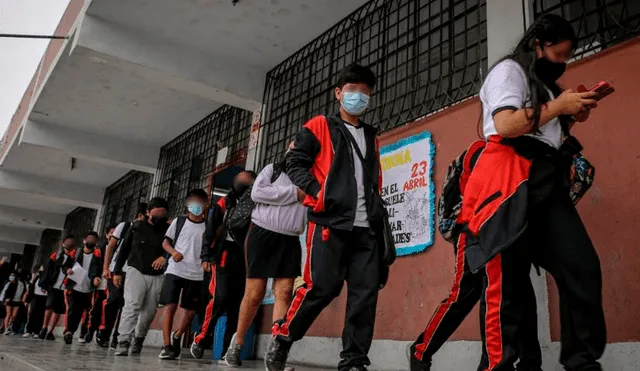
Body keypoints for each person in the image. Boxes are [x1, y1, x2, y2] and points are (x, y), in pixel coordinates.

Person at [448, 14, 605, 371]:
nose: (562, 62)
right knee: (510, 287)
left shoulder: (543, 83)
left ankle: (582, 361)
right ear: (538, 45)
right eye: (558, 53)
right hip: (510, 179)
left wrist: (572, 112)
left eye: (567, 56)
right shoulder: (509, 72)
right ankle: (515, 365)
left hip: (546, 181)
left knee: (581, 267)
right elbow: (506, 124)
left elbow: (546, 125)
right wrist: (558, 106)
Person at [266, 63, 385, 371]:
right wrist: (317, 193)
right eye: (352, 90)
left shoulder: (371, 135)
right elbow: (294, 163)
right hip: (330, 223)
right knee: (321, 288)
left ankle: (354, 361)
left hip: (366, 228)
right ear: (338, 93)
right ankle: (283, 338)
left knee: (364, 296)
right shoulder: (319, 125)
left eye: (364, 91)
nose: (358, 96)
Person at [223, 145, 307, 367]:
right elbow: (259, 192)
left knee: (285, 293)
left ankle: (274, 353)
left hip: (290, 239)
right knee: (254, 293)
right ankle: (237, 344)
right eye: (293, 148)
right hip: (262, 234)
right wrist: (294, 194)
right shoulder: (273, 170)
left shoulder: (311, 177)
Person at [190, 171, 256, 360]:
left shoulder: (256, 202)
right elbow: (210, 230)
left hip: (245, 257)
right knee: (221, 297)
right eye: (240, 179)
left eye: (247, 180)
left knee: (238, 305)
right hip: (224, 254)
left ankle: (228, 350)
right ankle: (201, 338)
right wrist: (206, 256)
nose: (242, 182)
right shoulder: (224, 203)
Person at [112, 197, 170, 356]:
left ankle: (138, 338)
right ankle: (123, 340)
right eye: (156, 215)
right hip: (136, 269)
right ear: (147, 213)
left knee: (150, 311)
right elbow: (124, 249)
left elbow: (175, 247)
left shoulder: (169, 229)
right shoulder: (136, 227)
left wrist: (164, 256)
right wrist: (117, 271)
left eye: (162, 215)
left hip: (157, 274)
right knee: (132, 304)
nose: (159, 219)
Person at [158, 189, 208, 360]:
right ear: (188, 204)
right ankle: (166, 346)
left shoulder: (208, 226)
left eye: (200, 202)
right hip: (175, 269)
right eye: (194, 202)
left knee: (190, 311)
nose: (197, 206)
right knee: (170, 306)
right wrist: (173, 253)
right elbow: (165, 242)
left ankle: (177, 336)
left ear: (206, 205)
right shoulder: (179, 221)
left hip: (197, 274)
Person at [97, 204, 147, 349]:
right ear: (139, 216)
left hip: (135, 272)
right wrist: (106, 268)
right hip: (117, 270)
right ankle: (105, 332)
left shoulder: (148, 231)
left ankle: (118, 337)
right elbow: (111, 247)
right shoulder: (124, 227)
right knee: (113, 300)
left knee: (127, 305)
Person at [62, 231, 103, 345]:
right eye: (89, 238)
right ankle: (69, 331)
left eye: (94, 239)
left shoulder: (97, 255)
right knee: (73, 310)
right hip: (74, 286)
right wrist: (67, 270)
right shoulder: (75, 253)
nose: (91, 241)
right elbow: (64, 266)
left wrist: (96, 278)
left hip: (88, 289)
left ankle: (82, 334)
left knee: (85, 312)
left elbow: (97, 270)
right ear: (84, 240)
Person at [80, 226, 115, 344]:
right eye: (111, 233)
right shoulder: (99, 249)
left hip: (114, 284)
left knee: (110, 310)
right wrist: (95, 277)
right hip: (100, 284)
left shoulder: (121, 248)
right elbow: (94, 265)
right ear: (107, 235)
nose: (113, 235)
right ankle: (90, 329)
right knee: (95, 309)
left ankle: (104, 334)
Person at [38, 235, 77, 340]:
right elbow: (47, 270)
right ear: (63, 244)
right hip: (53, 285)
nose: (70, 243)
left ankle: (51, 331)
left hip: (65, 287)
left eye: (72, 241)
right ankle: (44, 328)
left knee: (59, 310)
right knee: (49, 306)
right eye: (68, 241)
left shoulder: (75, 258)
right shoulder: (56, 256)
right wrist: (44, 284)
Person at [23, 266, 48, 338]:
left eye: (42, 269)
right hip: (35, 296)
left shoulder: (48, 278)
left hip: (44, 297)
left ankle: (37, 331)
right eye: (40, 269)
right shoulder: (35, 277)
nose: (41, 271)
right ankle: (29, 331)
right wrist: (27, 300)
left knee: (40, 315)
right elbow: (31, 289)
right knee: (32, 313)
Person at [1, 270, 27, 335]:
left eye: (13, 276)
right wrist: (5, 300)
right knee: (8, 314)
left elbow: (23, 292)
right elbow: (6, 292)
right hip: (9, 300)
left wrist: (23, 300)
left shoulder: (22, 284)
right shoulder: (9, 283)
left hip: (17, 301)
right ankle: (6, 328)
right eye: (11, 275)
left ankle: (10, 326)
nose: (11, 277)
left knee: (14, 316)